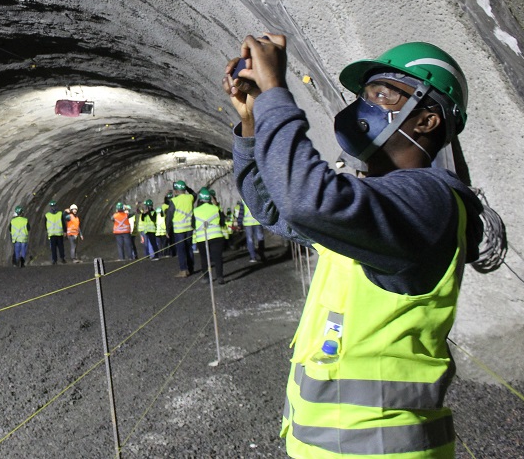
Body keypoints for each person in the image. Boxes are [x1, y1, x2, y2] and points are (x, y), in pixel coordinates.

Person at [225, 35, 484, 459]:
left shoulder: (428, 201)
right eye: (364, 95)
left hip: (383, 449)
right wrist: (253, 120)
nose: (364, 106)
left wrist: (275, 93)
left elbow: (304, 200)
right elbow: (273, 209)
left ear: (426, 121)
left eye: (382, 94)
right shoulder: (375, 207)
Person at [192, 187, 227, 284]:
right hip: (216, 236)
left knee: (204, 258)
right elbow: (222, 222)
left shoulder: (196, 211)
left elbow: (193, 225)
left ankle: (206, 277)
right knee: (217, 257)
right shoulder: (215, 208)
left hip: (202, 238)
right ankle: (220, 277)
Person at [169, 181, 196, 277]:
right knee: (189, 248)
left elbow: (169, 216)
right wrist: (186, 187)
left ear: (176, 191)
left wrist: (168, 229)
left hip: (179, 230)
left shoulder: (174, 200)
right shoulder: (190, 198)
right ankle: (191, 269)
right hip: (189, 228)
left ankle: (183, 270)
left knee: (181, 250)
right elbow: (194, 193)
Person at [235, 199, 266, 263]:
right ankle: (261, 254)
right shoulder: (256, 197)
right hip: (257, 222)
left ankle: (253, 256)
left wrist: (239, 224)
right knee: (260, 238)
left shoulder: (244, 200)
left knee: (250, 240)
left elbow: (241, 213)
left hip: (248, 223)